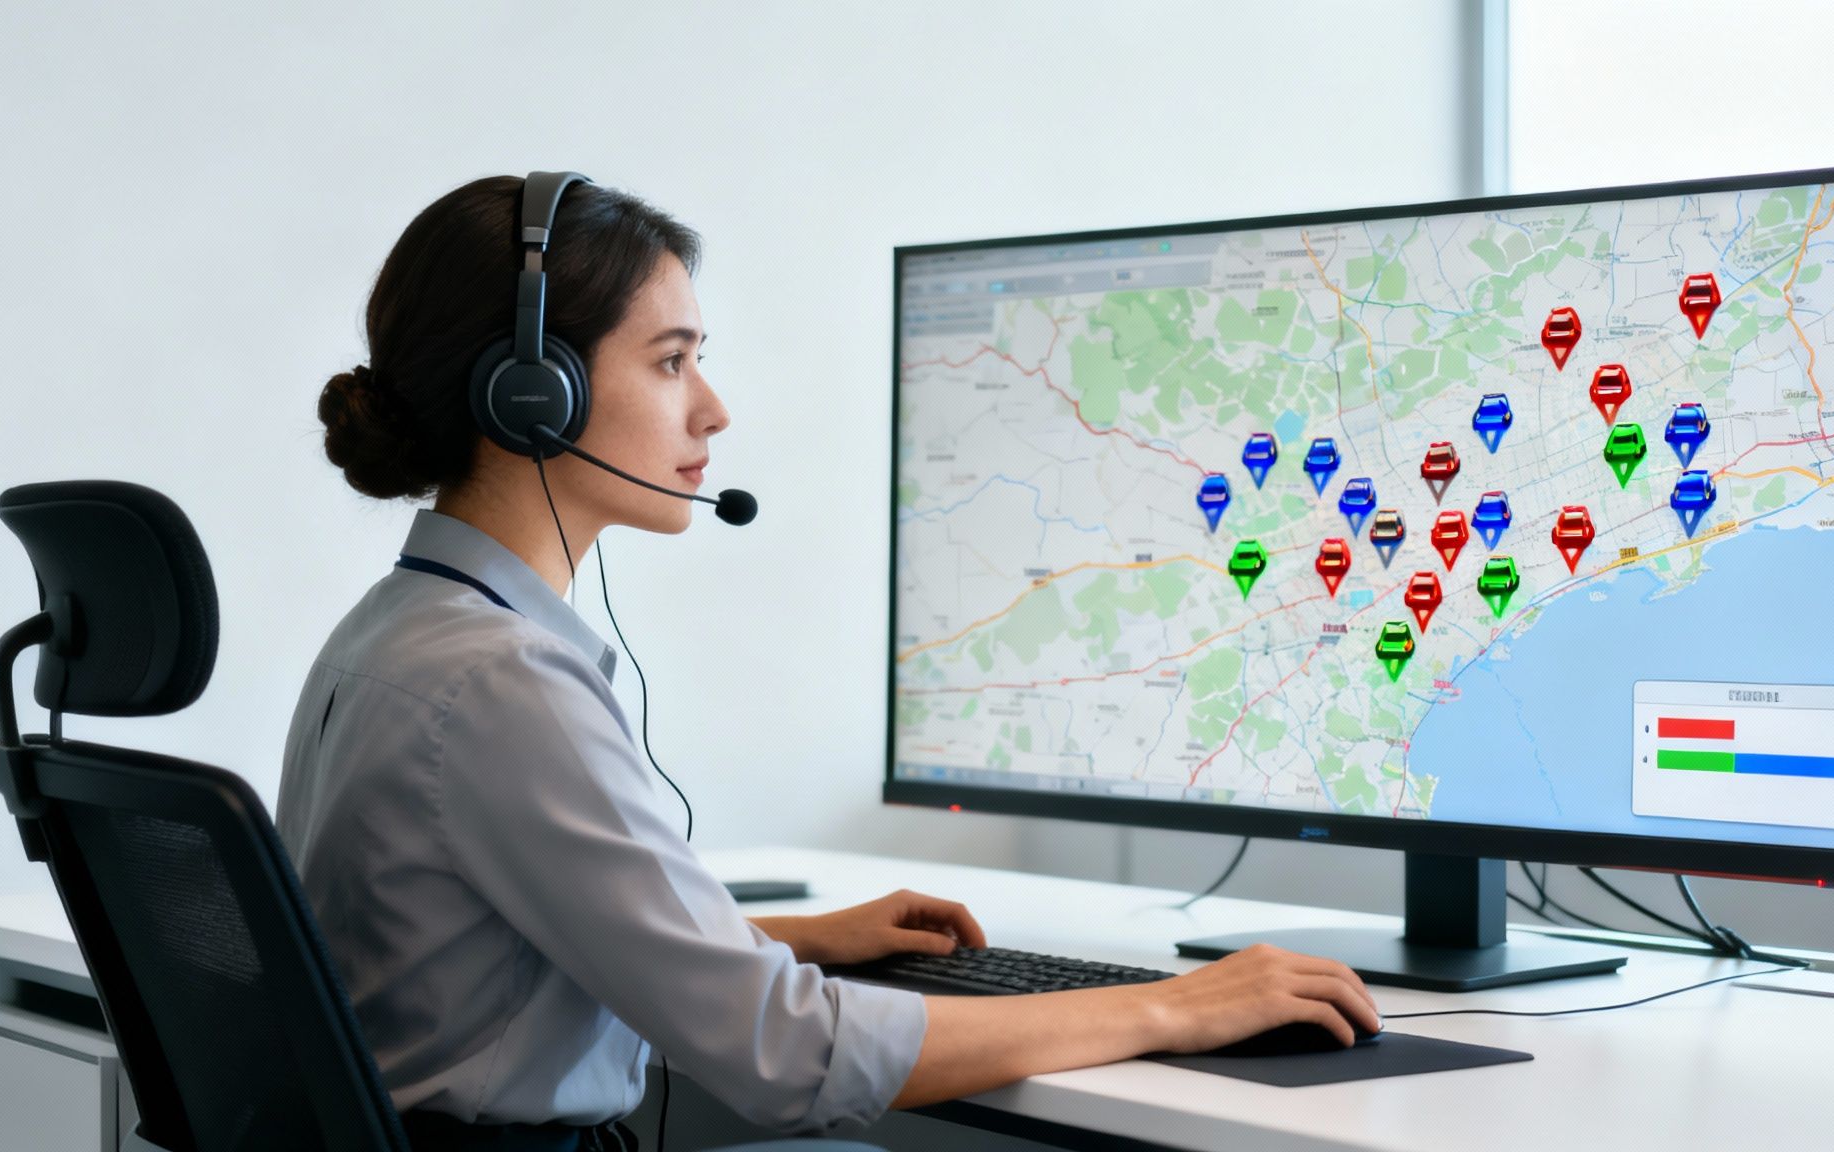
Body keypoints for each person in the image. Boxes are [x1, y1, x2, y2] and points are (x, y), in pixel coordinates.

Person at [276, 173, 1379, 1152]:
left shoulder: (398, 630)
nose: (711, 407)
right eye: (671, 361)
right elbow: (787, 1060)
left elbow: (496, 933)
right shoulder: (500, 681)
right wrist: (1174, 1007)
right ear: (533, 395)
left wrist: (778, 938)